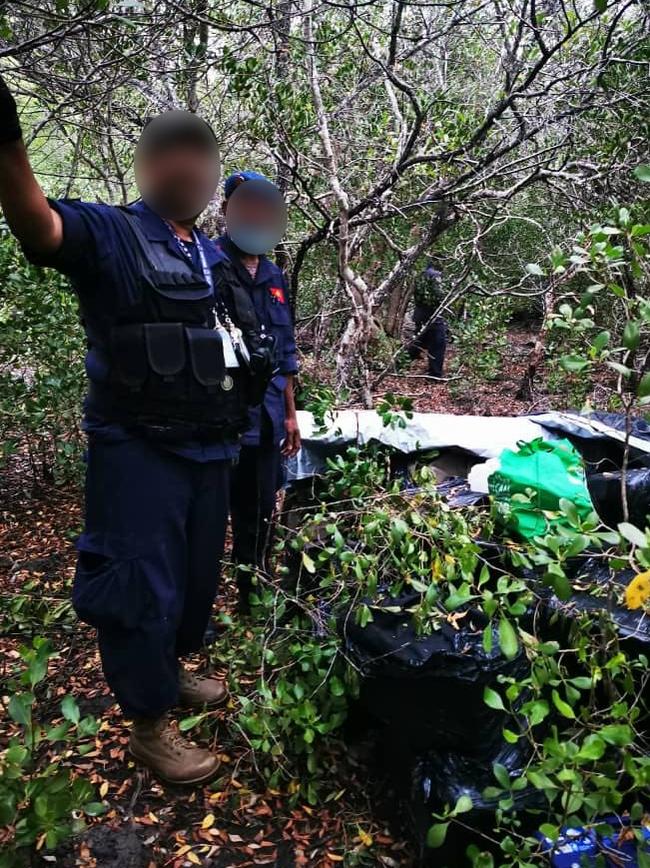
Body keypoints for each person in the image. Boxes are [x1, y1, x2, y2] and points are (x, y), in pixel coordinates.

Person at [0, 75, 275, 784]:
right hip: (140, 450)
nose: (187, 166)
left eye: (199, 155)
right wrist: (7, 145)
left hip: (212, 446)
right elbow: (41, 226)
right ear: (147, 167)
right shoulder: (112, 233)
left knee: (193, 580)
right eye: (170, 154)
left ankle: (171, 670)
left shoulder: (211, 256)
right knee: (140, 585)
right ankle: (149, 724)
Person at [214, 171, 300, 613]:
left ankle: (252, 593)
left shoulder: (274, 275)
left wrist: (290, 414)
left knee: (261, 511)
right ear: (228, 210)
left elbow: (285, 351)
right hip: (220, 419)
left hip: (266, 420)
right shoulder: (206, 263)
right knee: (209, 517)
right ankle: (199, 606)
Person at [408, 262, 447, 379]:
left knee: (419, 340)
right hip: (433, 315)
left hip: (420, 314)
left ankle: (399, 362)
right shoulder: (435, 275)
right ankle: (435, 374)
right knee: (438, 343)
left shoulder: (420, 275)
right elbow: (439, 295)